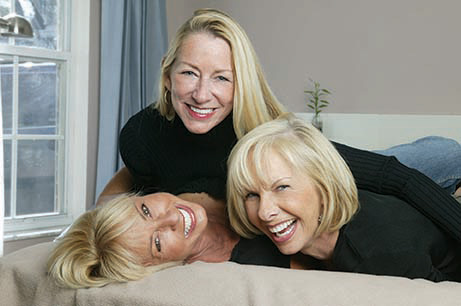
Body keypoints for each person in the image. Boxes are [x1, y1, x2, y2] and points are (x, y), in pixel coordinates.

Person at [97, 8, 461, 242]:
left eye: (222, 78)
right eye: (189, 73)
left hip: (353, 170)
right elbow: (117, 195)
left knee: (446, 154)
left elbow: (391, 175)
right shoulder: (141, 135)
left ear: (242, 84)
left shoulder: (260, 136)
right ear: (167, 74)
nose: (201, 94)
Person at [226, 114, 461, 282]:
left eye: (282, 187)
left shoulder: (378, 256)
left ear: (323, 185)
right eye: (251, 194)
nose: (264, 211)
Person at [48, 192, 287, 289]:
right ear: (156, 267)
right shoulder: (251, 267)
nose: (173, 216)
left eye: (146, 210)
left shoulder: (189, 175)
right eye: (158, 243)